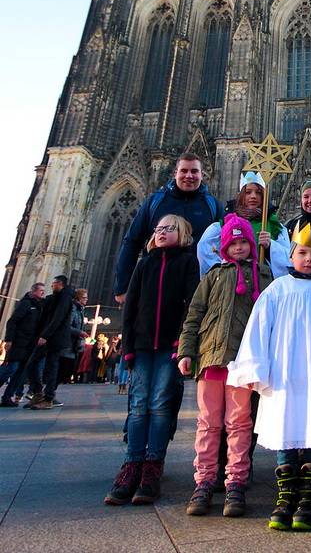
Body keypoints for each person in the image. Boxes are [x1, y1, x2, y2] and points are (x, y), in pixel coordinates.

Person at [227, 219, 311, 531]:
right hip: (284, 378)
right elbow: (258, 330)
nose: (307, 259)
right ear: (290, 255)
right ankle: (285, 497)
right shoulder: (277, 290)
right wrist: (254, 368)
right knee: (285, 438)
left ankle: (308, 499)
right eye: (302, 253)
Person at [178, 215, 271, 517]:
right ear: (225, 247)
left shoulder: (262, 275)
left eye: (245, 241)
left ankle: (236, 483)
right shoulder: (213, 276)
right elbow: (195, 315)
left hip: (242, 362)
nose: (239, 247)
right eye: (234, 243)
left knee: (240, 423)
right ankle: (204, 481)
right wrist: (185, 351)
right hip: (211, 359)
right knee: (208, 423)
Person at [104, 215, 200, 506]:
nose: (162, 233)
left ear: (182, 234)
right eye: (158, 229)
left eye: (169, 229)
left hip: (169, 347)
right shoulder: (144, 264)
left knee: (159, 405)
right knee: (137, 406)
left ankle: (152, 466)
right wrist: (128, 347)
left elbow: (192, 306)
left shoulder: (187, 263)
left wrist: (182, 345)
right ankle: (131, 465)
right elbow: (130, 309)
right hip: (143, 347)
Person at [113, 153, 224, 303]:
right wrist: (122, 287)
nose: (189, 176)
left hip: (198, 288)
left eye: (194, 171)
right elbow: (132, 241)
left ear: (202, 175)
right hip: (156, 285)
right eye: (184, 171)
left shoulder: (212, 205)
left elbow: (225, 244)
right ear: (175, 173)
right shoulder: (155, 202)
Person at [197, 171, 289, 277]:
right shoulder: (226, 224)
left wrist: (271, 247)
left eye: (258, 192)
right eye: (248, 192)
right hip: (232, 280)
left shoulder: (274, 226)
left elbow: (288, 259)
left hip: (262, 282)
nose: (253, 196)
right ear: (241, 195)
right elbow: (205, 248)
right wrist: (222, 272)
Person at [24, 275, 75, 410]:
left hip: (54, 337)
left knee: (50, 367)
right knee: (32, 363)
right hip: (48, 336)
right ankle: (38, 393)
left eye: (54, 283)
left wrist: (45, 335)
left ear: (61, 284)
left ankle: (48, 398)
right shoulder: (56, 297)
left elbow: (58, 317)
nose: (52, 286)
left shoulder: (65, 298)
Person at [0, 282, 45, 407]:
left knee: (20, 373)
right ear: (33, 291)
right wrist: (9, 340)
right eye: (41, 290)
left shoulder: (39, 305)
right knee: (10, 369)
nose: (43, 293)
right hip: (18, 343)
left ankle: (7, 397)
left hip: (29, 345)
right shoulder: (26, 304)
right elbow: (12, 322)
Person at [58, 288, 88, 387]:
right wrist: (80, 332)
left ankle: (49, 395)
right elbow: (67, 326)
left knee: (66, 372)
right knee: (61, 371)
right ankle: (47, 395)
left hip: (73, 346)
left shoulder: (79, 310)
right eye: (84, 298)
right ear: (78, 298)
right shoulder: (73, 309)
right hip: (67, 345)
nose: (86, 299)